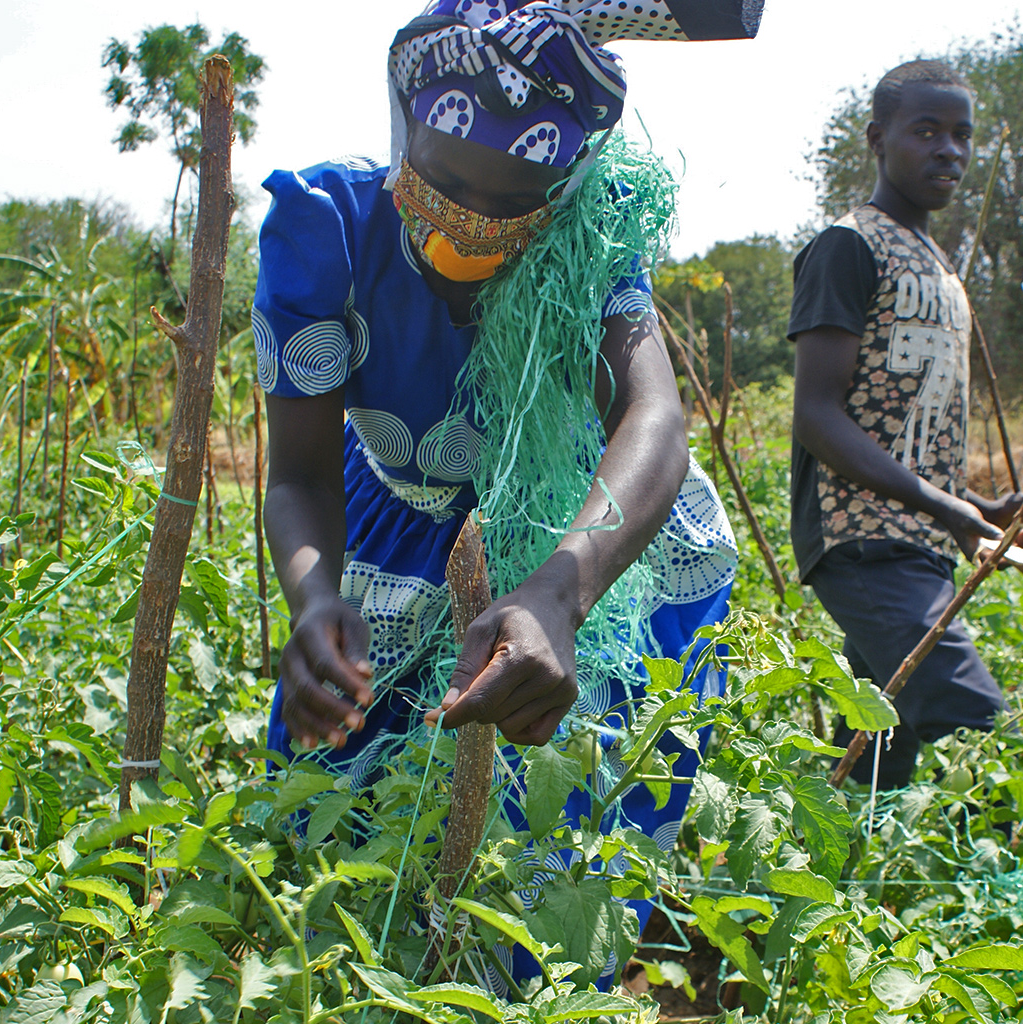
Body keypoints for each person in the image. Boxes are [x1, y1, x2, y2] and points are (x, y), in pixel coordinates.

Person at [253, 0, 757, 988]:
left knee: (576, 804)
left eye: (511, 204)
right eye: (439, 183)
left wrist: (561, 594)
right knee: (340, 811)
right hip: (395, 519)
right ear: (403, 133)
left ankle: (553, 985)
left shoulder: (594, 228)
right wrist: (316, 597)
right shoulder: (328, 231)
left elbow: (651, 420)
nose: (469, 226)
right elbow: (300, 473)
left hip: (585, 526)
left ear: (562, 190)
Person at [789, 60, 1023, 790]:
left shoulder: (939, 265)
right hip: (860, 539)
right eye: (926, 131)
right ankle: (1002, 892)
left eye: (961, 135)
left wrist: (973, 508)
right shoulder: (848, 246)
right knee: (976, 729)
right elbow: (818, 416)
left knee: (877, 757)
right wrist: (939, 504)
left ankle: (834, 881)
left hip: (917, 544)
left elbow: (905, 423)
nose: (948, 150)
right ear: (877, 138)